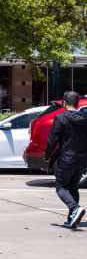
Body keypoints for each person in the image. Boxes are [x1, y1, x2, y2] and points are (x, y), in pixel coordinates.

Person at [43, 91, 87, 229]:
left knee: (60, 187)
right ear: (78, 103)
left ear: (64, 103)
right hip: (81, 160)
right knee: (73, 187)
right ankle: (72, 219)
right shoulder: (84, 118)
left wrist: (47, 155)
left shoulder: (60, 118)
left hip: (67, 158)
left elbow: (52, 139)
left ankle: (75, 208)